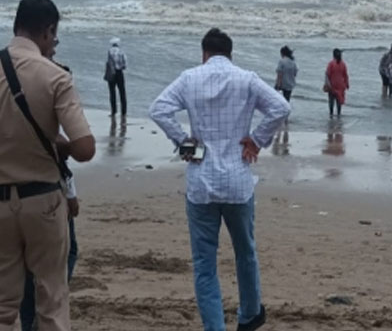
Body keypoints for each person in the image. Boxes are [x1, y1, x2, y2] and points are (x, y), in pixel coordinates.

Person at [0, 0, 95, 331]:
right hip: (43, 202)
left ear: (17, 26)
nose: (54, 45)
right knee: (51, 303)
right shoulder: (56, 77)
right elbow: (85, 149)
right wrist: (61, 145)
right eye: (55, 37)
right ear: (48, 31)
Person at [149, 28, 290, 331]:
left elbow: (158, 109)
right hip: (238, 181)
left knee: (204, 264)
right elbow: (281, 107)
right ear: (230, 53)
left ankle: (215, 327)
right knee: (245, 252)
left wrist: (184, 142)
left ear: (204, 53)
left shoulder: (190, 78)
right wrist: (257, 139)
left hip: (201, 182)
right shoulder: (246, 79)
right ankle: (250, 314)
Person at [19, 39, 81, 331]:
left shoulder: (20, 83)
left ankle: (30, 320)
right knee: (64, 254)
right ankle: (40, 317)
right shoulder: (56, 80)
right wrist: (71, 193)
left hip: (15, 190)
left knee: (28, 267)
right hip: (49, 192)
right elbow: (73, 150)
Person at [104, 37, 127, 116]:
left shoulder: (109, 51)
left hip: (111, 73)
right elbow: (124, 63)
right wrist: (122, 67)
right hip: (119, 72)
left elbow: (109, 62)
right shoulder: (121, 51)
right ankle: (123, 112)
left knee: (112, 92)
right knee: (122, 92)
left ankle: (113, 111)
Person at [325, 49, 349, 117]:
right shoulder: (343, 64)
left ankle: (331, 115)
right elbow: (345, 75)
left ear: (333, 55)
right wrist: (347, 84)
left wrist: (327, 84)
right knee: (339, 102)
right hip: (340, 86)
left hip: (332, 86)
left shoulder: (331, 64)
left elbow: (327, 75)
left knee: (331, 102)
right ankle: (338, 115)